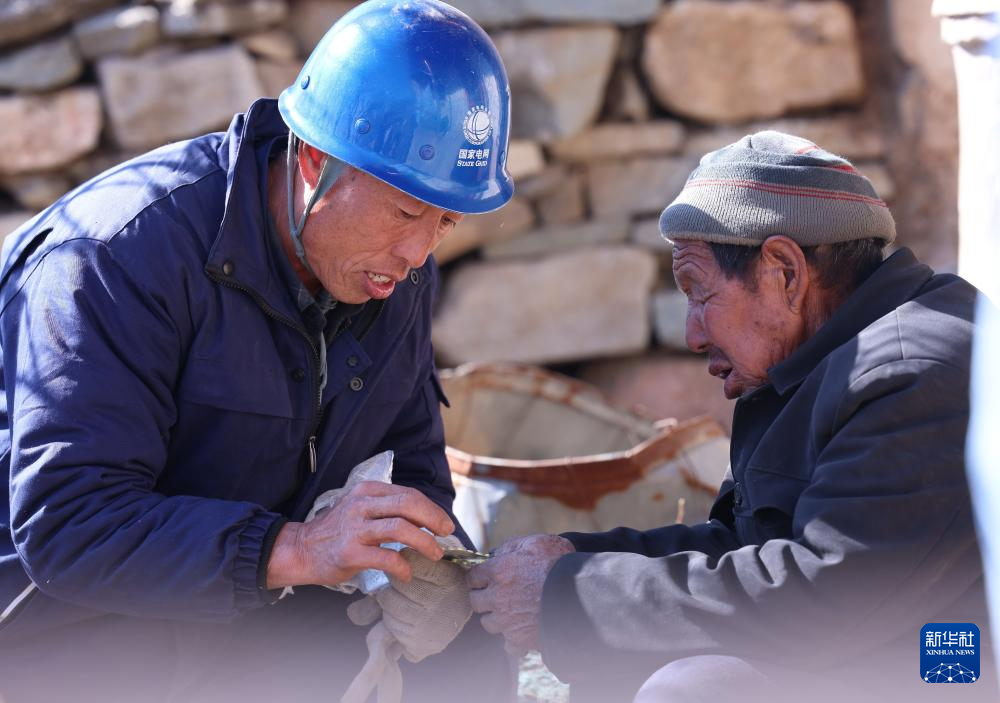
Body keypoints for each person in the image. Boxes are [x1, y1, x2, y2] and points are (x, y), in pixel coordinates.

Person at [0, 1, 514, 701]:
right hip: (59, 627)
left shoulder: (393, 271)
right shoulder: (114, 257)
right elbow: (70, 523)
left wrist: (432, 571)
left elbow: (410, 465)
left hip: (244, 607)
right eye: (404, 210)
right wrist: (299, 549)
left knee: (470, 652)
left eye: (446, 219)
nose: (419, 251)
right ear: (313, 160)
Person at [467, 131, 992, 702]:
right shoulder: (810, 361)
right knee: (614, 662)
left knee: (695, 691)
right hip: (884, 637)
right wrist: (569, 562)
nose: (692, 335)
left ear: (784, 272)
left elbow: (832, 595)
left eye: (698, 292)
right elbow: (745, 547)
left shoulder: (913, 369)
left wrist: (567, 595)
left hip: (952, 664)